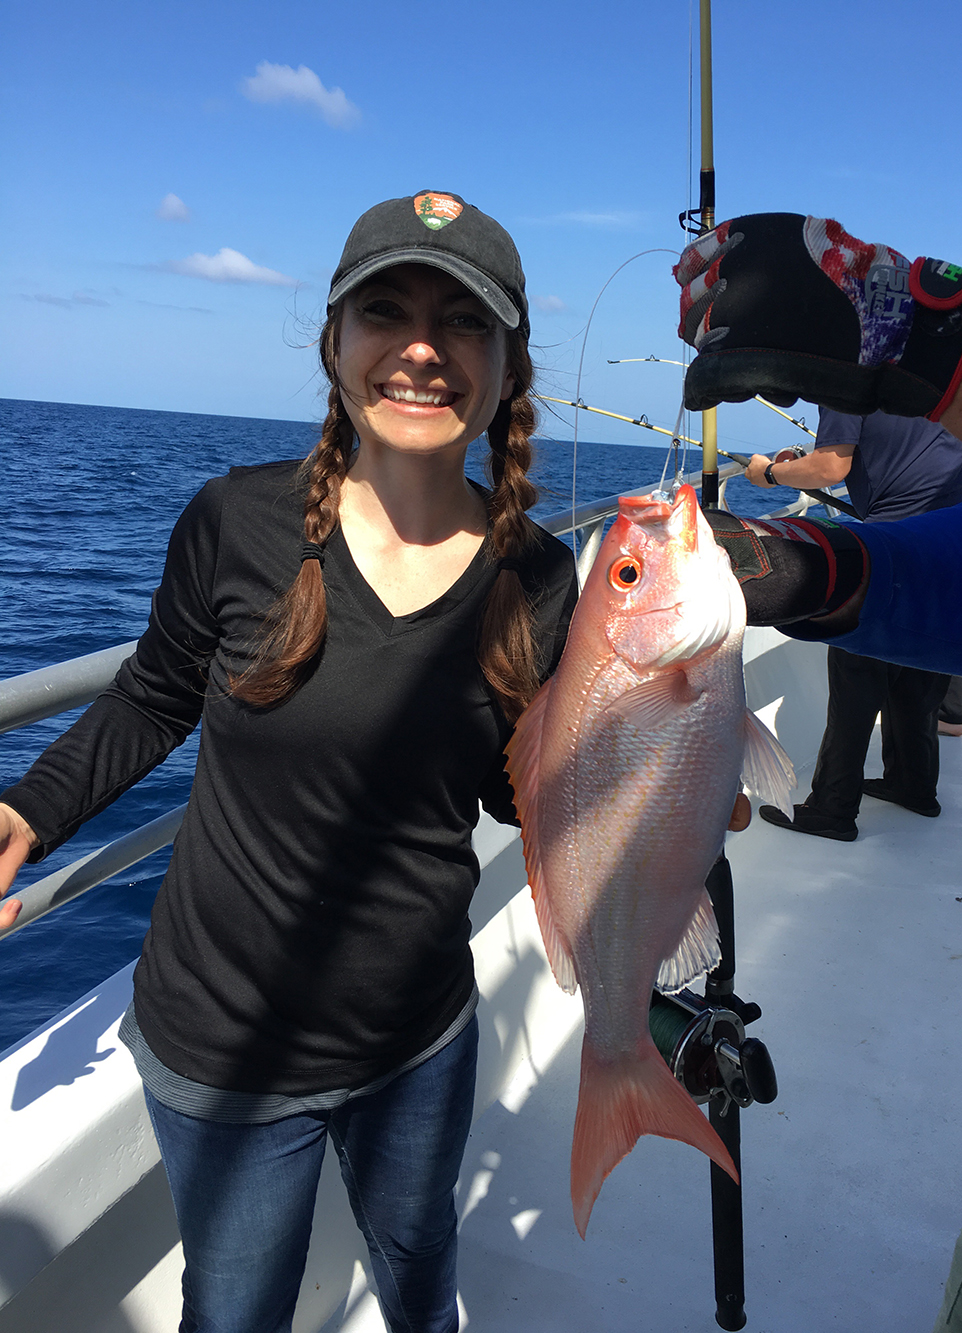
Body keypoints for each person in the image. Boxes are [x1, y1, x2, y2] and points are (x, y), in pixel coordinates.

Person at [0, 190, 584, 1333]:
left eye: (462, 321)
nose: (421, 347)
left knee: (419, 1257)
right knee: (236, 1304)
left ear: (508, 364)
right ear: (334, 342)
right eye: (386, 310)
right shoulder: (235, 520)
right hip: (224, 1042)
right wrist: (28, 814)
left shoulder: (540, 576)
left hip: (418, 1028)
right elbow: (151, 697)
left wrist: (652, 779)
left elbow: (515, 795)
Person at [674, 212, 962, 1332]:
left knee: (869, 695)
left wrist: (925, 333)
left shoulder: (843, 416)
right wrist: (815, 565)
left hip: (906, 519)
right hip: (926, 528)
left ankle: (841, 800)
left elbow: (843, 467)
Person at [745, 408, 962, 840]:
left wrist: (771, 473)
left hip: (896, 541)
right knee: (921, 666)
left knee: (856, 678)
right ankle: (914, 784)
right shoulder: (929, 371)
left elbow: (830, 466)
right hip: (956, 536)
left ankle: (832, 809)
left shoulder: (851, 381)